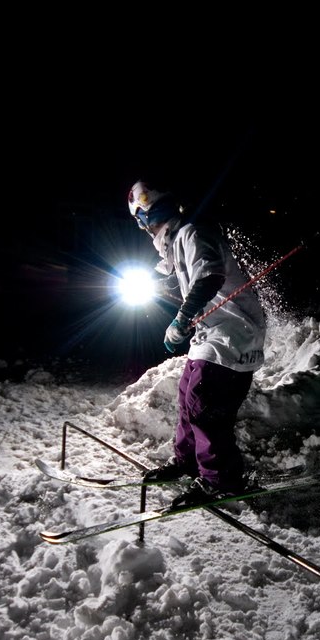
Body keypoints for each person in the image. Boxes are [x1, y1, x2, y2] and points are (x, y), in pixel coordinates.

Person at [127, 180, 266, 508]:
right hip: (212, 332)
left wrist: (181, 319)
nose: (141, 227)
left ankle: (222, 480)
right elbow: (189, 281)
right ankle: (188, 460)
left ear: (146, 216)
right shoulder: (177, 241)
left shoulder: (191, 233)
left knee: (204, 402)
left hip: (234, 331)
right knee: (188, 393)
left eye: (140, 218)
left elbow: (209, 278)